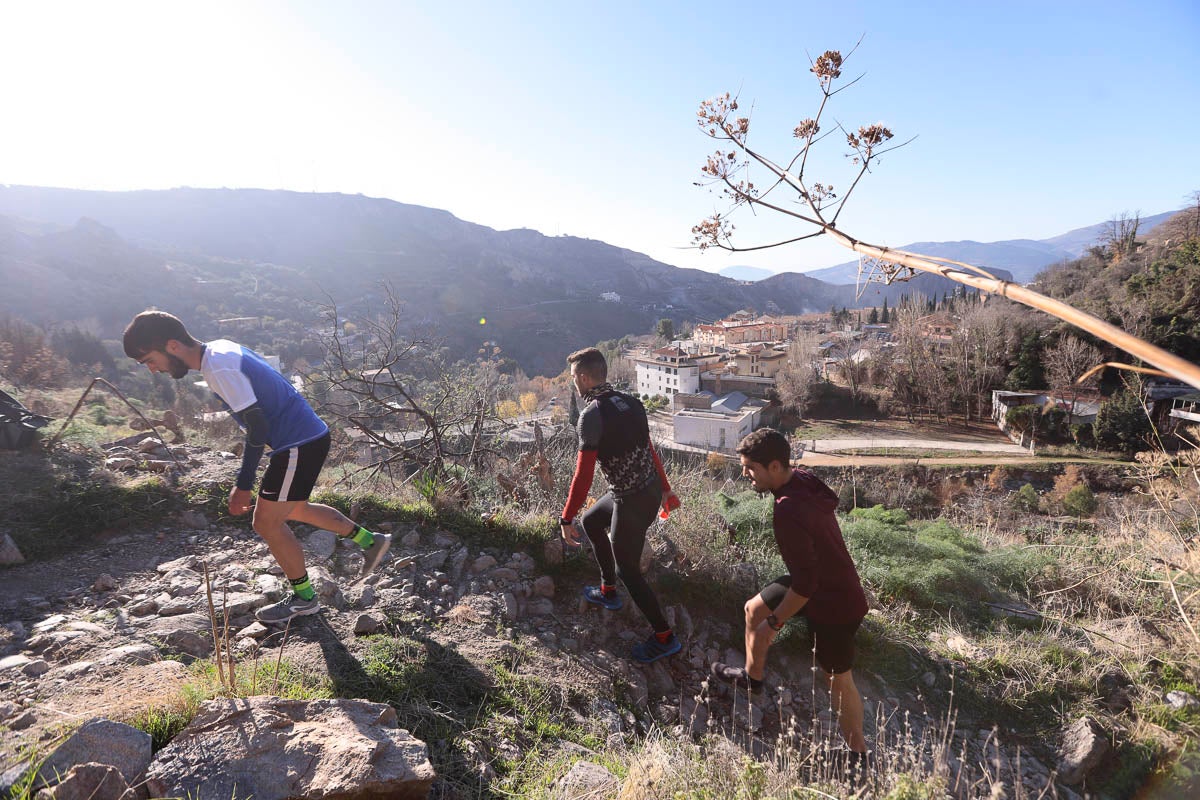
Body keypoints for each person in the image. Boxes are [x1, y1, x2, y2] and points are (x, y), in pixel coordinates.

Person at [123, 311, 391, 623]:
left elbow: (258, 427)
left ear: (172, 346)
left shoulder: (218, 368)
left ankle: (305, 599)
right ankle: (371, 541)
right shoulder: (220, 349)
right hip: (306, 438)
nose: (154, 371)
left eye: (149, 361)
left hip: (296, 445)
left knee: (265, 522)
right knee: (294, 509)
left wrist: (244, 483)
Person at [712, 428, 870, 772]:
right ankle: (752, 679)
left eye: (750, 468)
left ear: (773, 466)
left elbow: (806, 585)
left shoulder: (788, 509)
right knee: (753, 609)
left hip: (836, 602)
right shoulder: (799, 478)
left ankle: (858, 756)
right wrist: (768, 618)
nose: (744, 475)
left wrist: (776, 623)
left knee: (837, 680)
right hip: (815, 579)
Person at [559, 347, 682, 663]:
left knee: (629, 569)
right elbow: (650, 451)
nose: (574, 383)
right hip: (646, 491)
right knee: (591, 522)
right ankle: (608, 591)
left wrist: (565, 518)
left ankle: (664, 637)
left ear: (584, 378)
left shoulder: (592, 416)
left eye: (574, 378)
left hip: (630, 499)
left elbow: (583, 476)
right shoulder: (632, 403)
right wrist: (666, 490)